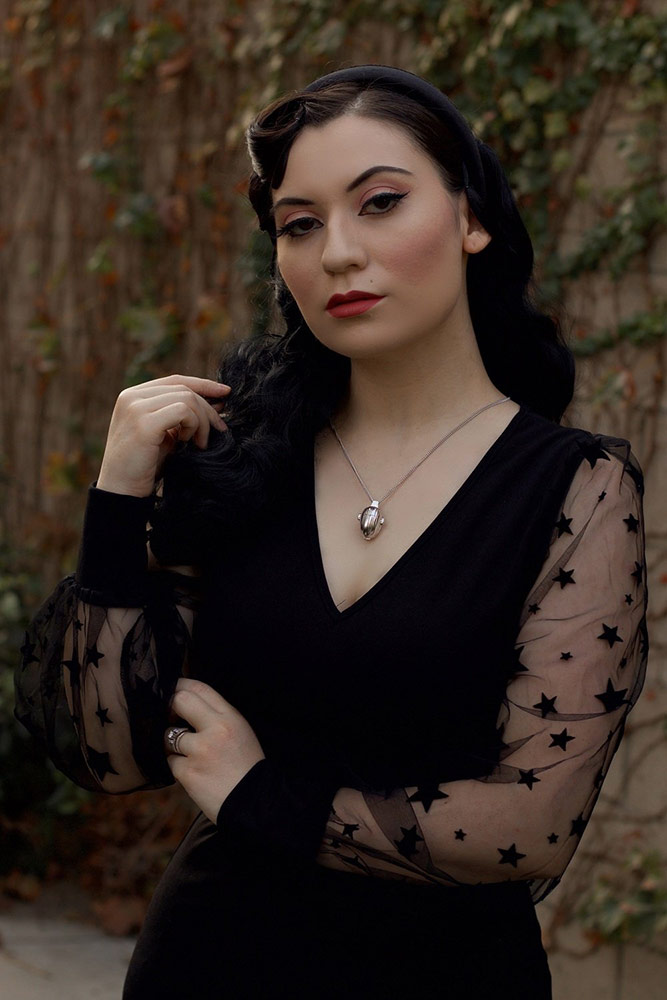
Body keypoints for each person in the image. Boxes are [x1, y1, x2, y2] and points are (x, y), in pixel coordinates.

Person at [15, 65, 649, 999]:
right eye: (299, 224)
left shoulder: (574, 486)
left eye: (380, 203)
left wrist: (262, 798)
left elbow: (533, 822)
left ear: (470, 219)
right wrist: (118, 494)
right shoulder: (242, 462)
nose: (337, 253)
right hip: (209, 964)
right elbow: (109, 755)